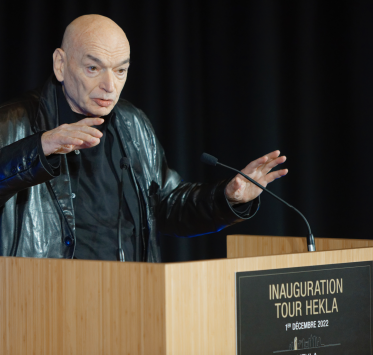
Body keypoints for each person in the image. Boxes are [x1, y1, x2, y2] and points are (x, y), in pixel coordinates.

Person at [0, 15, 287, 262]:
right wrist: (38, 149)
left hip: (129, 300)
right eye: (93, 68)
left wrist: (227, 197)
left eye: (121, 70)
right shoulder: (13, 122)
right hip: (43, 301)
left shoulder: (131, 123)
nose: (109, 86)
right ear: (60, 64)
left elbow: (167, 205)